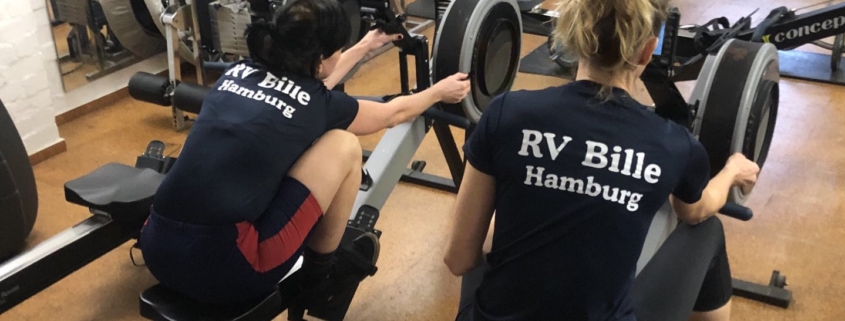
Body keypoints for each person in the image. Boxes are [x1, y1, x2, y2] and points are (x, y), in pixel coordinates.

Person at [139, 0, 470, 315]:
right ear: (322, 58)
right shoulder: (318, 105)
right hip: (229, 271)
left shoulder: (236, 72)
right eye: (338, 49)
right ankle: (320, 279)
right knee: (344, 146)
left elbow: (308, 85)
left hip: (156, 247)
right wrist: (440, 92)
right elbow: (391, 114)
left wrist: (367, 45)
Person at [443, 0, 760, 320]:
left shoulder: (506, 113)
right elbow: (695, 211)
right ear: (648, 51)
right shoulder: (675, 146)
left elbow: (458, 259)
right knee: (708, 231)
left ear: (571, 37)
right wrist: (732, 171)